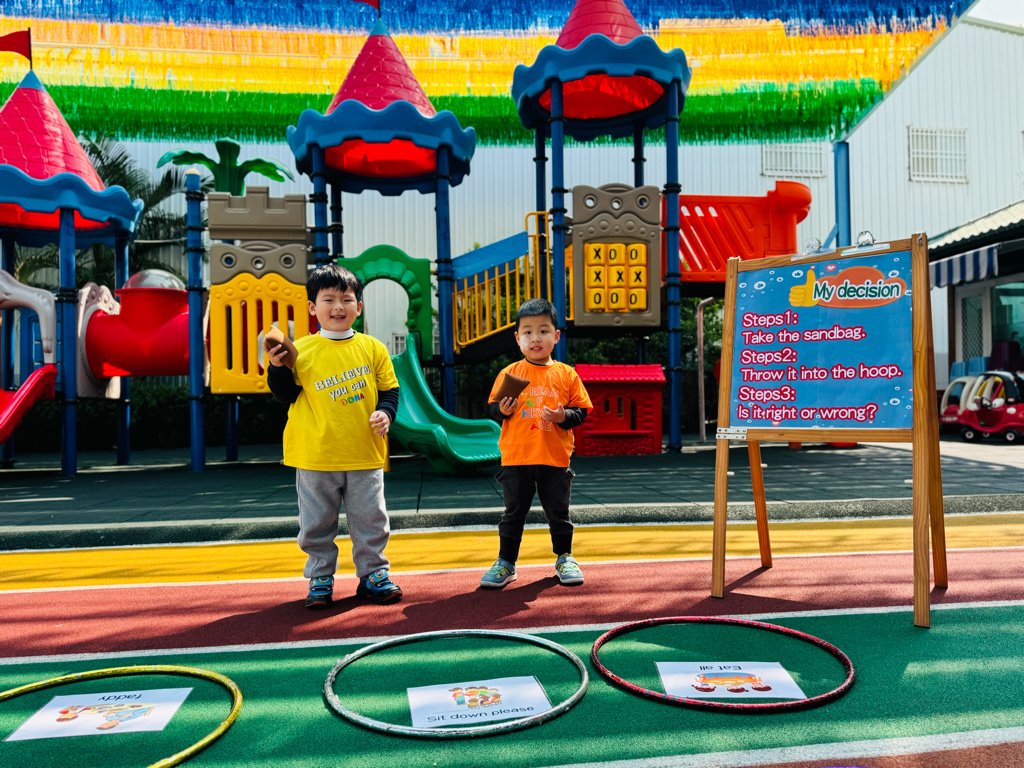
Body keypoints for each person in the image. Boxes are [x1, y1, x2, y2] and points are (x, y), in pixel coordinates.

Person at [267, 263, 402, 609]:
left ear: (359, 306)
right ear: (313, 307)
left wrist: (385, 412)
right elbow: (284, 395)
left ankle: (373, 574)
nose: (338, 307)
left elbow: (389, 390)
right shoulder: (301, 351)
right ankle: (320, 576)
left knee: (371, 520)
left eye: (347, 299)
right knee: (316, 523)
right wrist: (277, 367)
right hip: (314, 455)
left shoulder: (373, 348)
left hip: (364, 452)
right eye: (329, 300)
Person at [481, 298, 592, 589]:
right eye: (527, 332)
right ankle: (506, 562)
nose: (535, 338)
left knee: (559, 513)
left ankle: (565, 557)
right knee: (513, 513)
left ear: (556, 336)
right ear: (517, 338)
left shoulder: (566, 374)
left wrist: (563, 416)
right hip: (516, 458)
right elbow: (493, 408)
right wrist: (502, 410)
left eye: (543, 331)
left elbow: (581, 412)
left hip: (554, 458)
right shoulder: (510, 374)